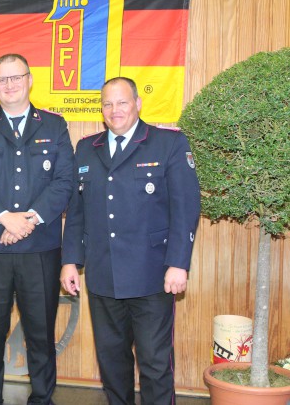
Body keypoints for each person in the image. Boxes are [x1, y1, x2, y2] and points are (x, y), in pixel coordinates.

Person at [61, 77, 201, 405]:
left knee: (154, 364)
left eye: (122, 102)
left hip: (152, 276)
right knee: (112, 363)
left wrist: (178, 264)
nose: (115, 110)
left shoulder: (169, 144)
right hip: (103, 275)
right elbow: (77, 212)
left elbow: (186, 209)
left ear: (138, 103)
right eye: (108, 104)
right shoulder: (86, 148)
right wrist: (71, 260)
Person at [0, 53, 74, 404]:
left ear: (29, 79)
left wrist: (27, 220)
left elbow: (64, 180)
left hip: (40, 251)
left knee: (40, 335)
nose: (9, 85)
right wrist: (4, 217)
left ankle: (42, 399)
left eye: (15, 78)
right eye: (1, 79)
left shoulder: (54, 125)